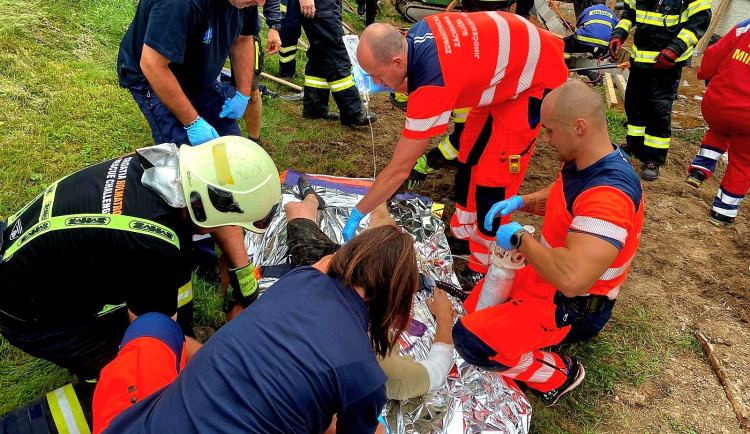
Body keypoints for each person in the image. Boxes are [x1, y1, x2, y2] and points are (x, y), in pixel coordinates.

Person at [0, 137, 280, 432]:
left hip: (30, 257)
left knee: (169, 295)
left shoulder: (167, 162)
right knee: (129, 387)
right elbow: (150, 340)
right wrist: (228, 371)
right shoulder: (153, 246)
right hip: (34, 314)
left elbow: (223, 217)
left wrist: (242, 274)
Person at [92, 224, 418, 433]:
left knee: (154, 324)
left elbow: (323, 268)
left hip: (137, 426)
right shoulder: (365, 377)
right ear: (395, 304)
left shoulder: (300, 279)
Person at [451, 81, 644, 406]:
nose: (546, 139)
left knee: (471, 340)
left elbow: (572, 279)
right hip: (549, 279)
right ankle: (525, 333)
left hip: (575, 305)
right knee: (476, 304)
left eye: (551, 131)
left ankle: (560, 375)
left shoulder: (608, 197)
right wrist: (521, 202)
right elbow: (562, 199)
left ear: (578, 127)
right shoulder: (586, 160)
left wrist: (519, 238)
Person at [345, 15, 567, 288]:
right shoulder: (416, 35)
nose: (377, 83)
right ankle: (464, 234)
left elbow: (400, 168)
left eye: (377, 75)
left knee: (494, 179)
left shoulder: (433, 82)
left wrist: (359, 211)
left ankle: (483, 266)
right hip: (505, 70)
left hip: (534, 77)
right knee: (470, 154)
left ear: (398, 62)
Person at [283, 175, 456, 399]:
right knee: (298, 211)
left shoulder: (313, 278)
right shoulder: (379, 370)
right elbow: (438, 369)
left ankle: (314, 200)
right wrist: (444, 318)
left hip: (336, 268)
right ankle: (320, 201)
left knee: (296, 211)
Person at [117, 0, 281, 148]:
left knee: (230, 145)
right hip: (153, 76)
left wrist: (243, 94)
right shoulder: (176, 4)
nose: (261, 3)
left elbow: (243, 38)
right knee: (185, 158)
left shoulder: (246, 1)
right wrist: (193, 122)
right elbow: (153, 65)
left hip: (197, 70)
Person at [609, 0, 711, 180]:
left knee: (658, 110)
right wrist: (619, 34)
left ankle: (653, 158)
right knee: (634, 104)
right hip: (640, 58)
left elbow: (699, 21)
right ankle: (635, 145)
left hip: (667, 64)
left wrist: (675, 49)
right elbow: (630, 12)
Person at [686, 18, 750, 227]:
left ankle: (699, 169)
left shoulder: (746, 26)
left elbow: (714, 52)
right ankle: (722, 212)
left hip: (718, 102)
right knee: (742, 162)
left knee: (719, 129)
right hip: (747, 117)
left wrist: (706, 76)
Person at [294, 0, 376, 126]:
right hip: (321, 5)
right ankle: (352, 112)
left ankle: (315, 108)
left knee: (320, 53)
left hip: (327, 5)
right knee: (336, 53)